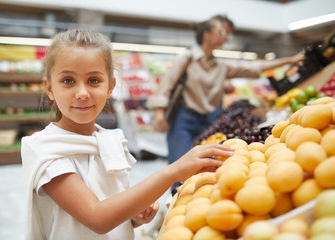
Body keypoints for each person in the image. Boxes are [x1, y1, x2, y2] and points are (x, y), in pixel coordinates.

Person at [21, 28, 234, 240]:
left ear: (110, 86)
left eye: (94, 80)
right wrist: (173, 171)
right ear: (49, 88)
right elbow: (97, 218)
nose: (82, 93)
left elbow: (114, 206)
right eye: (68, 80)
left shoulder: (110, 139)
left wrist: (135, 216)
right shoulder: (46, 150)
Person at [147, 14, 305, 189]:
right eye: (221, 31)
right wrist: (160, 114)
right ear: (206, 34)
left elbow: (255, 68)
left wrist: (292, 60)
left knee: (205, 168)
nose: (226, 36)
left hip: (210, 120)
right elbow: (166, 85)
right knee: (179, 167)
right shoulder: (187, 59)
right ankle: (174, 205)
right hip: (184, 119)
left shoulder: (221, 66)